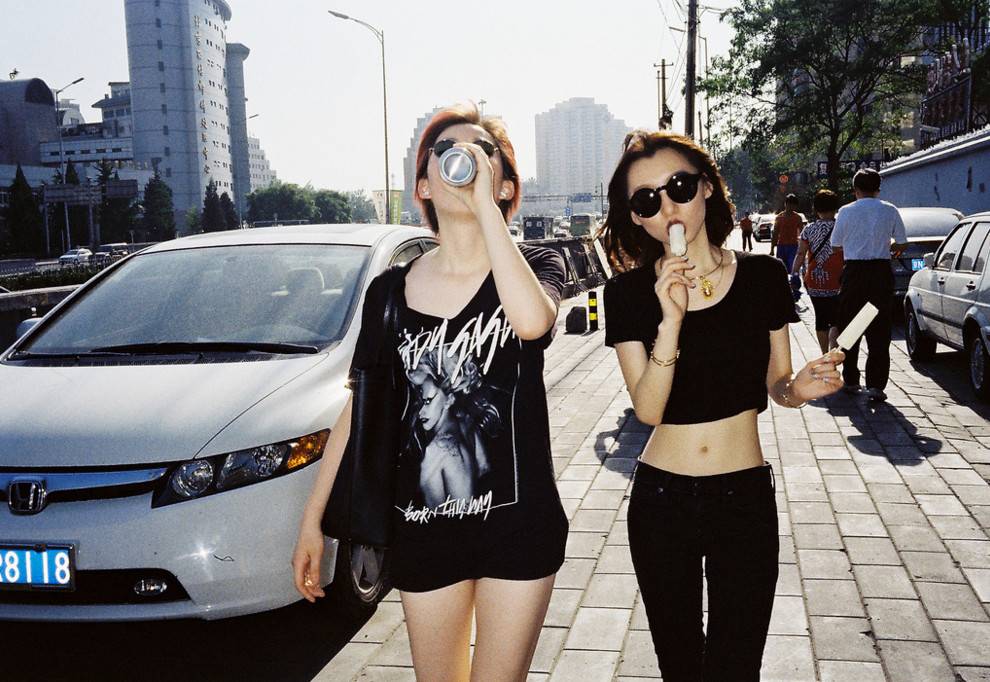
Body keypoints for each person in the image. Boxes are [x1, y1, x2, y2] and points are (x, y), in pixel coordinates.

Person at [292, 103, 568, 680]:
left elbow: (531, 322)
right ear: (423, 183)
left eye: (483, 152)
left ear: (506, 184)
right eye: (447, 152)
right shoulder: (389, 292)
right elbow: (359, 409)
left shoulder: (536, 263)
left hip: (518, 525)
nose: (464, 160)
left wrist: (486, 209)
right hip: (422, 527)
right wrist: (312, 520)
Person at [599, 130, 844, 681]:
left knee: (737, 667)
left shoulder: (763, 276)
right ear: (636, 218)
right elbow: (648, 410)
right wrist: (670, 320)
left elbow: (778, 385)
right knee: (681, 667)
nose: (668, 207)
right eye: (647, 200)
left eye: (679, 187)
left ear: (706, 187)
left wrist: (800, 388)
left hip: (744, 498)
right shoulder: (629, 295)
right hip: (662, 501)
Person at [830, 167, 907, 402]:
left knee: (851, 326)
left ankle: (851, 379)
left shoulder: (846, 211)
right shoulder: (890, 209)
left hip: (854, 273)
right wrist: (889, 249)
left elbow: (835, 244)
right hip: (880, 273)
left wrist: (854, 245)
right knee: (879, 329)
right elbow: (901, 242)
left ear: (855, 189)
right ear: (878, 189)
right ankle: (876, 385)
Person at [791, 189, 843, 354]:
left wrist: (794, 272)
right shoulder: (841, 228)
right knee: (836, 319)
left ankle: (824, 353)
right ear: (835, 208)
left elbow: (801, 254)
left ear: (816, 208)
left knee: (821, 318)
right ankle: (834, 351)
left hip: (815, 279)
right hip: (839, 279)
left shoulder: (809, 229)